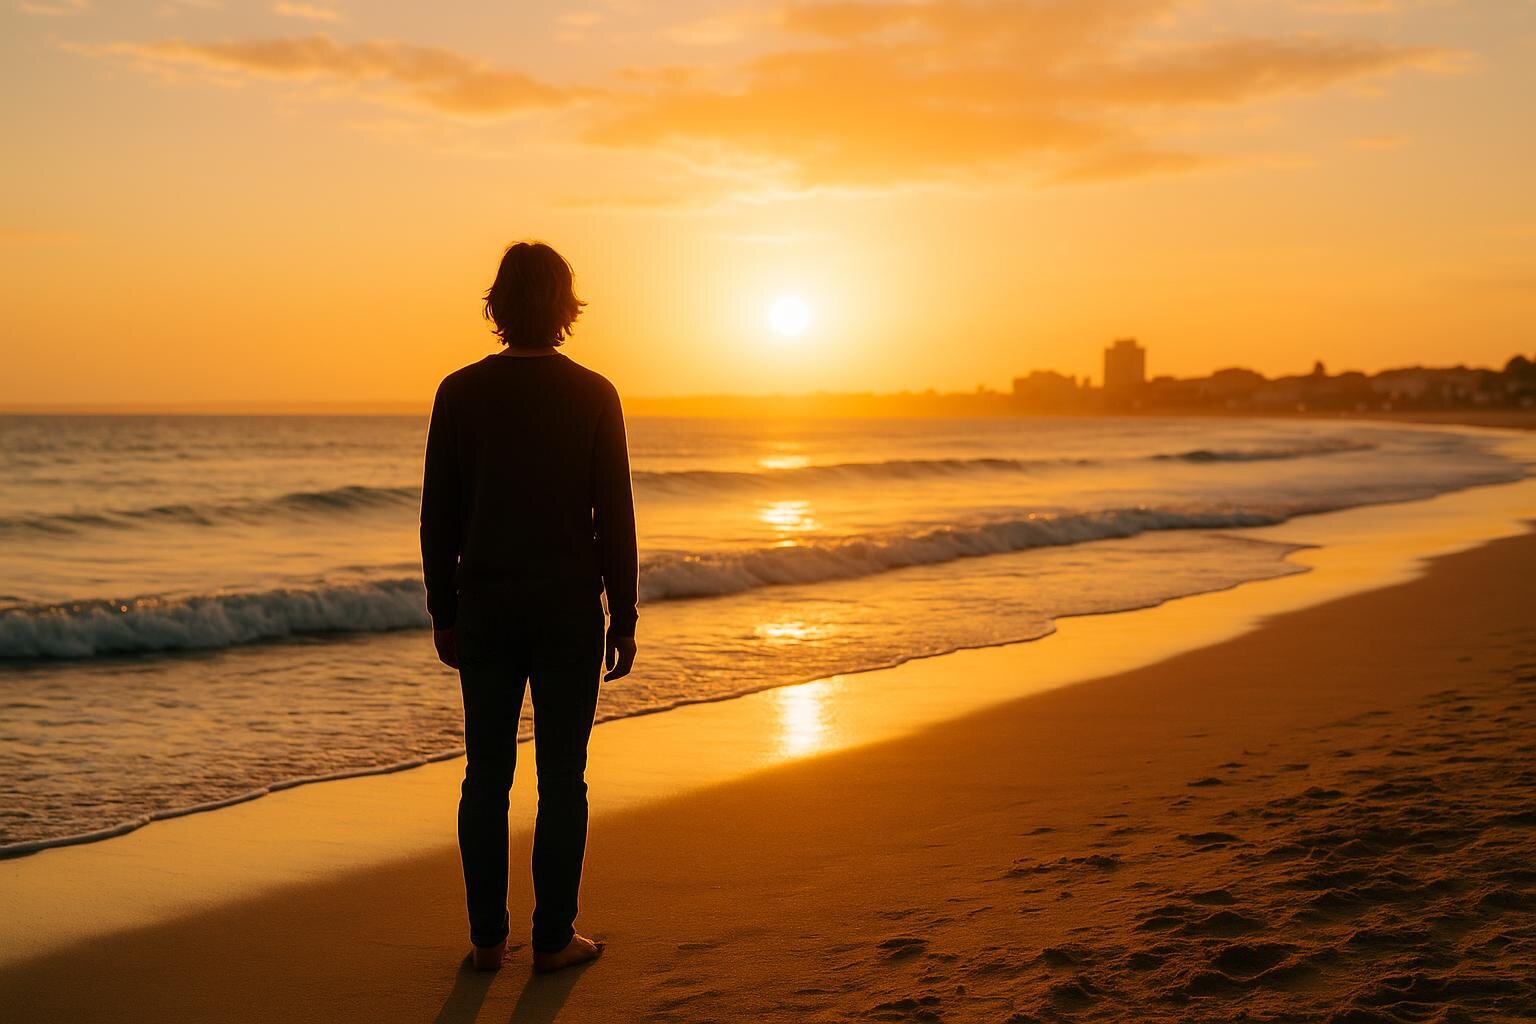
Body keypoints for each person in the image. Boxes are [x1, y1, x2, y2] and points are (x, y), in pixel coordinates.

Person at [420, 241, 638, 974]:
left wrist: (442, 610)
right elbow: (616, 515)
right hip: (567, 609)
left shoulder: (458, 392)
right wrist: (626, 614)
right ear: (563, 307)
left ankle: (487, 939)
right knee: (561, 778)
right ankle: (552, 938)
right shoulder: (593, 392)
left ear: (499, 305)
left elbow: (437, 517)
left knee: (485, 776)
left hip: (484, 605)